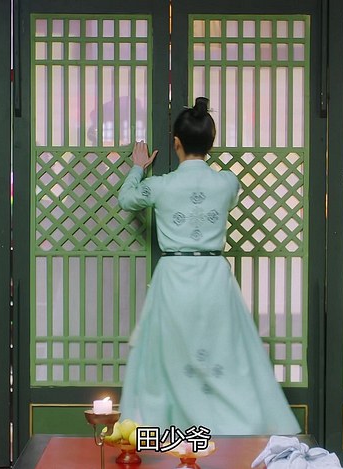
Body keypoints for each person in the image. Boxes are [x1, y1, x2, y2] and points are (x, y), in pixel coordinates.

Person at [117, 97, 301, 435]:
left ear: (176, 143)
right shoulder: (227, 183)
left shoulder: (161, 186)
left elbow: (126, 199)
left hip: (174, 277)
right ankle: (226, 431)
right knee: (221, 354)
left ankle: (172, 431)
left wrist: (138, 168)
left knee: (170, 355)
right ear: (211, 144)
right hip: (215, 277)